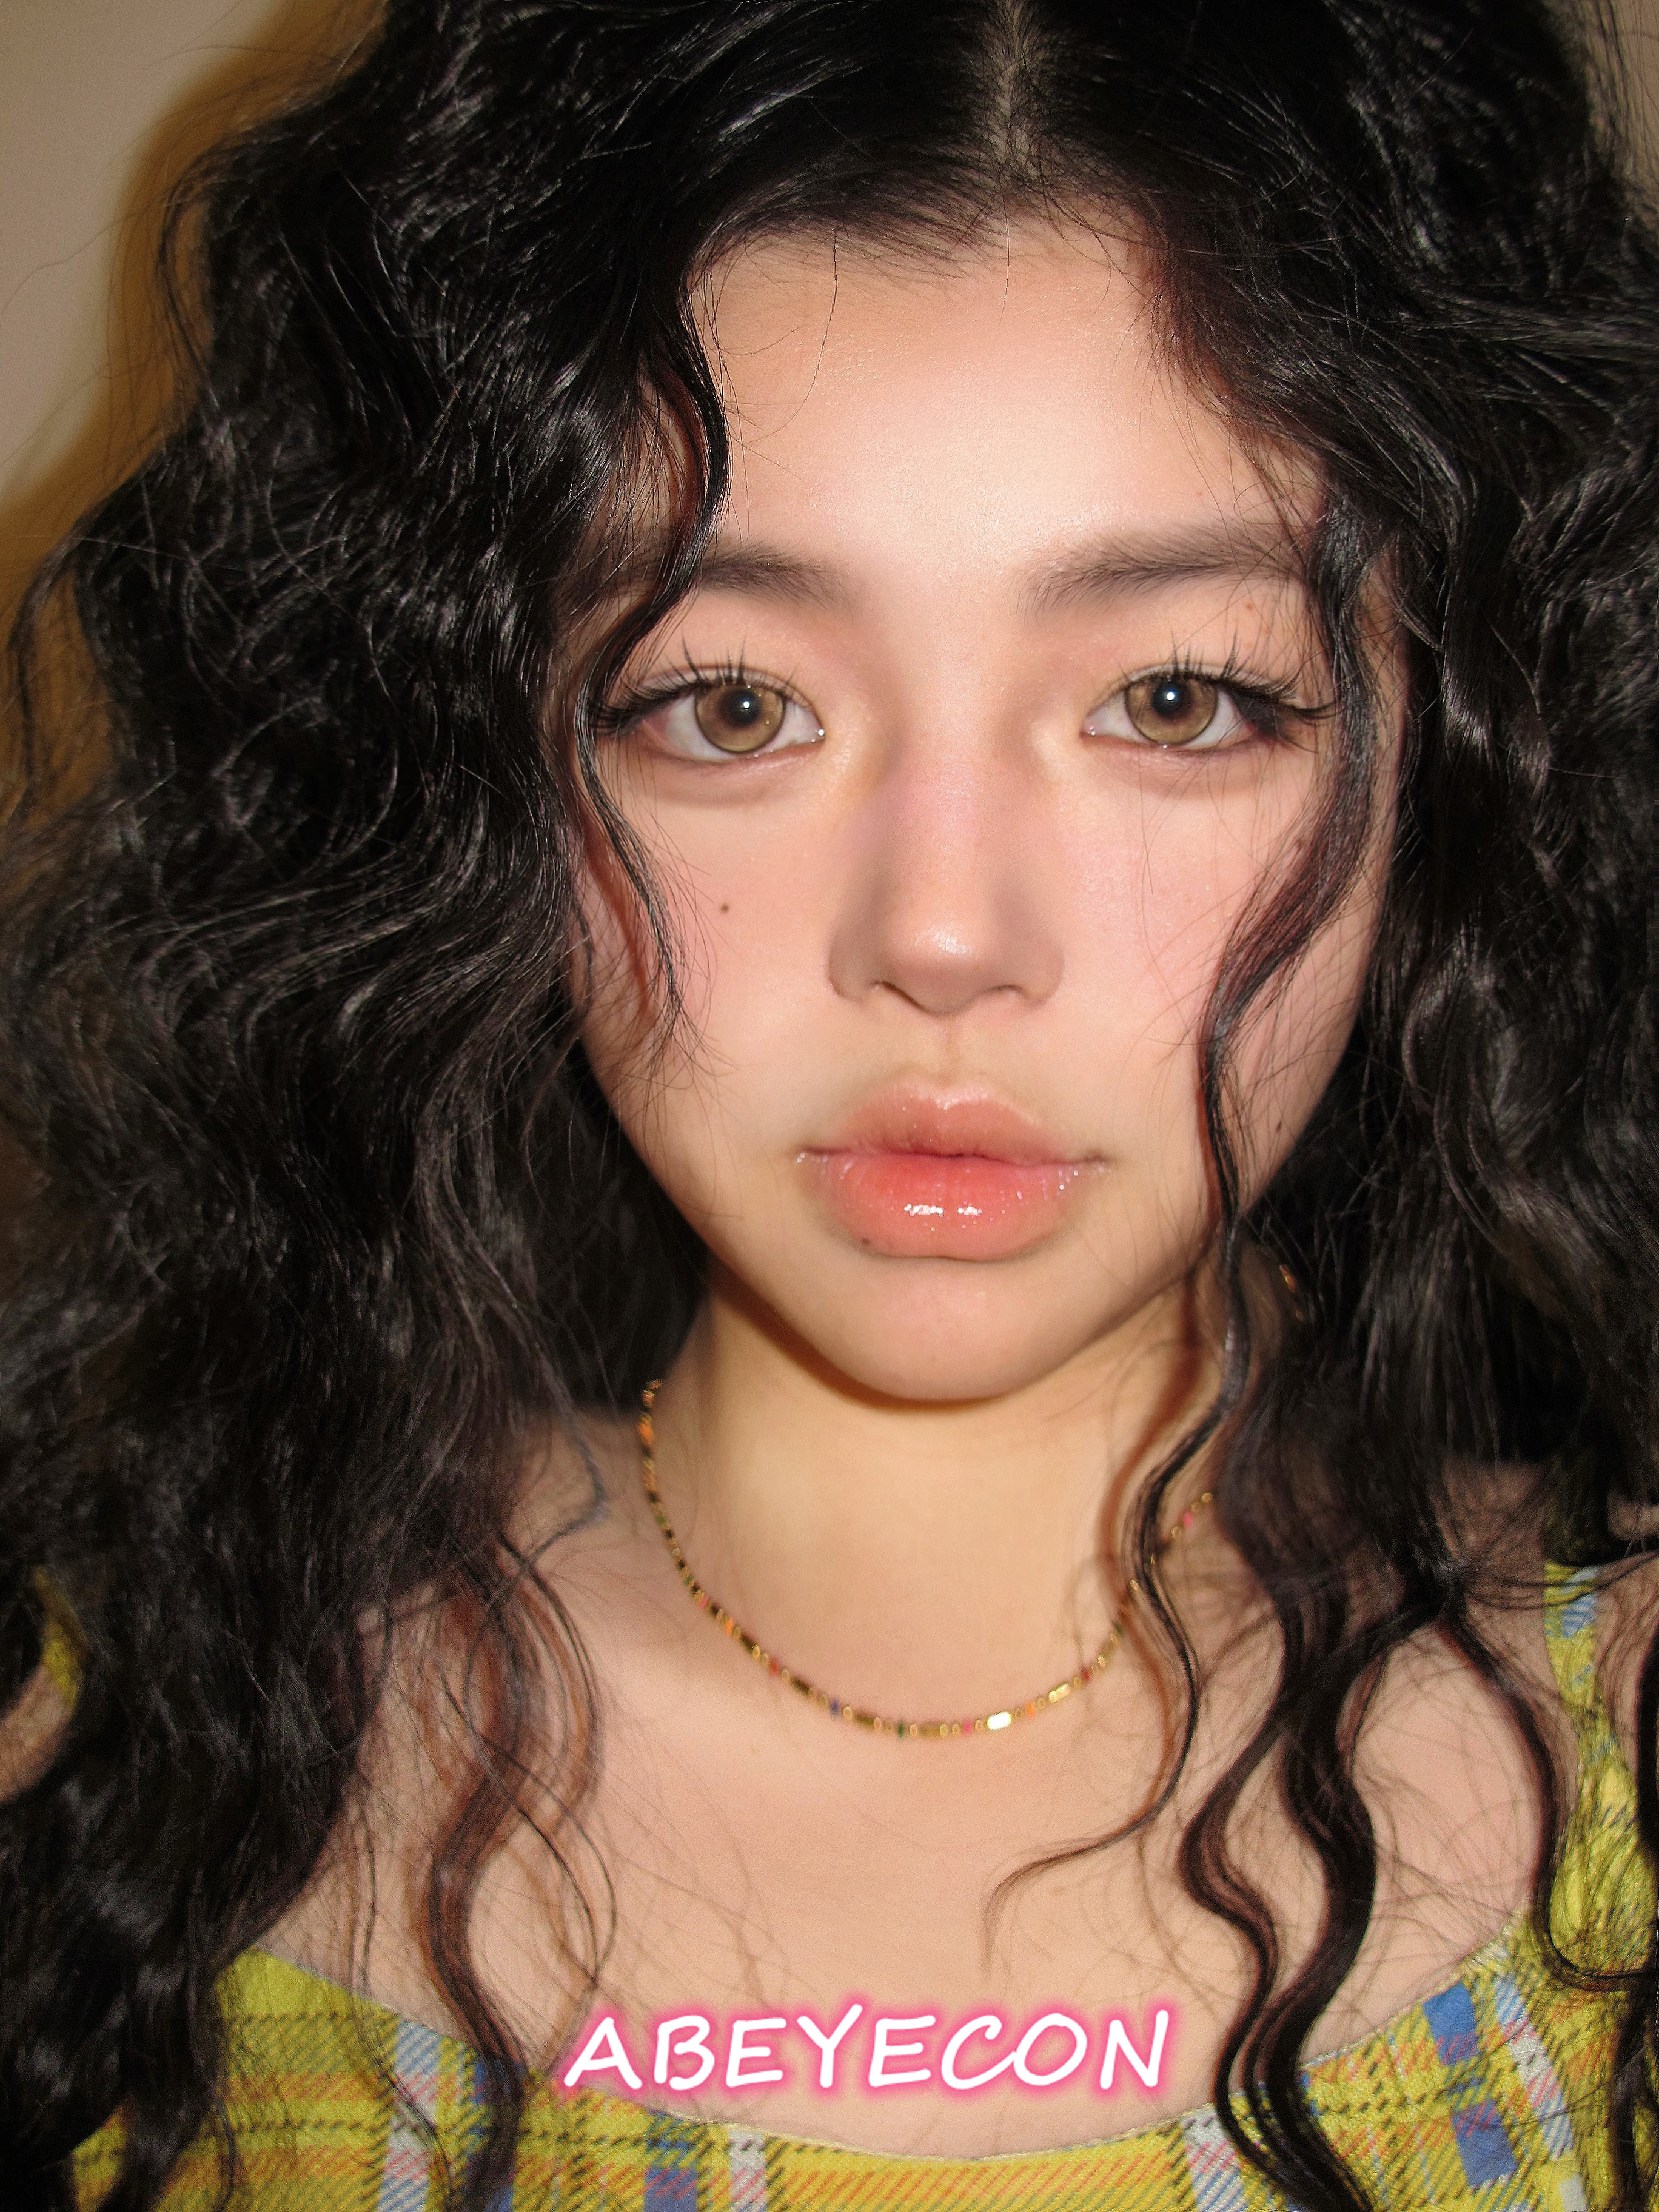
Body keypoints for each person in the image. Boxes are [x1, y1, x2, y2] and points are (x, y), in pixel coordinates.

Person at [2, 1, 1657, 2207]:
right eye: (729, 703)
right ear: (484, 783)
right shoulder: (102, 1758)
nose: (943, 936)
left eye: (1181, 699)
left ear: (1457, 763)